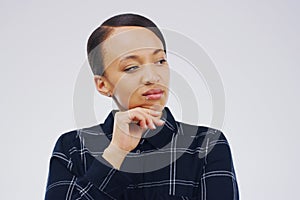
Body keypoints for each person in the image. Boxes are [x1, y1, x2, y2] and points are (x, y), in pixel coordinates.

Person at [45, 13, 239, 200]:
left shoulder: (206, 145)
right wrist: (117, 152)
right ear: (103, 85)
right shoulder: (72, 148)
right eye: (131, 67)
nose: (152, 77)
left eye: (160, 61)